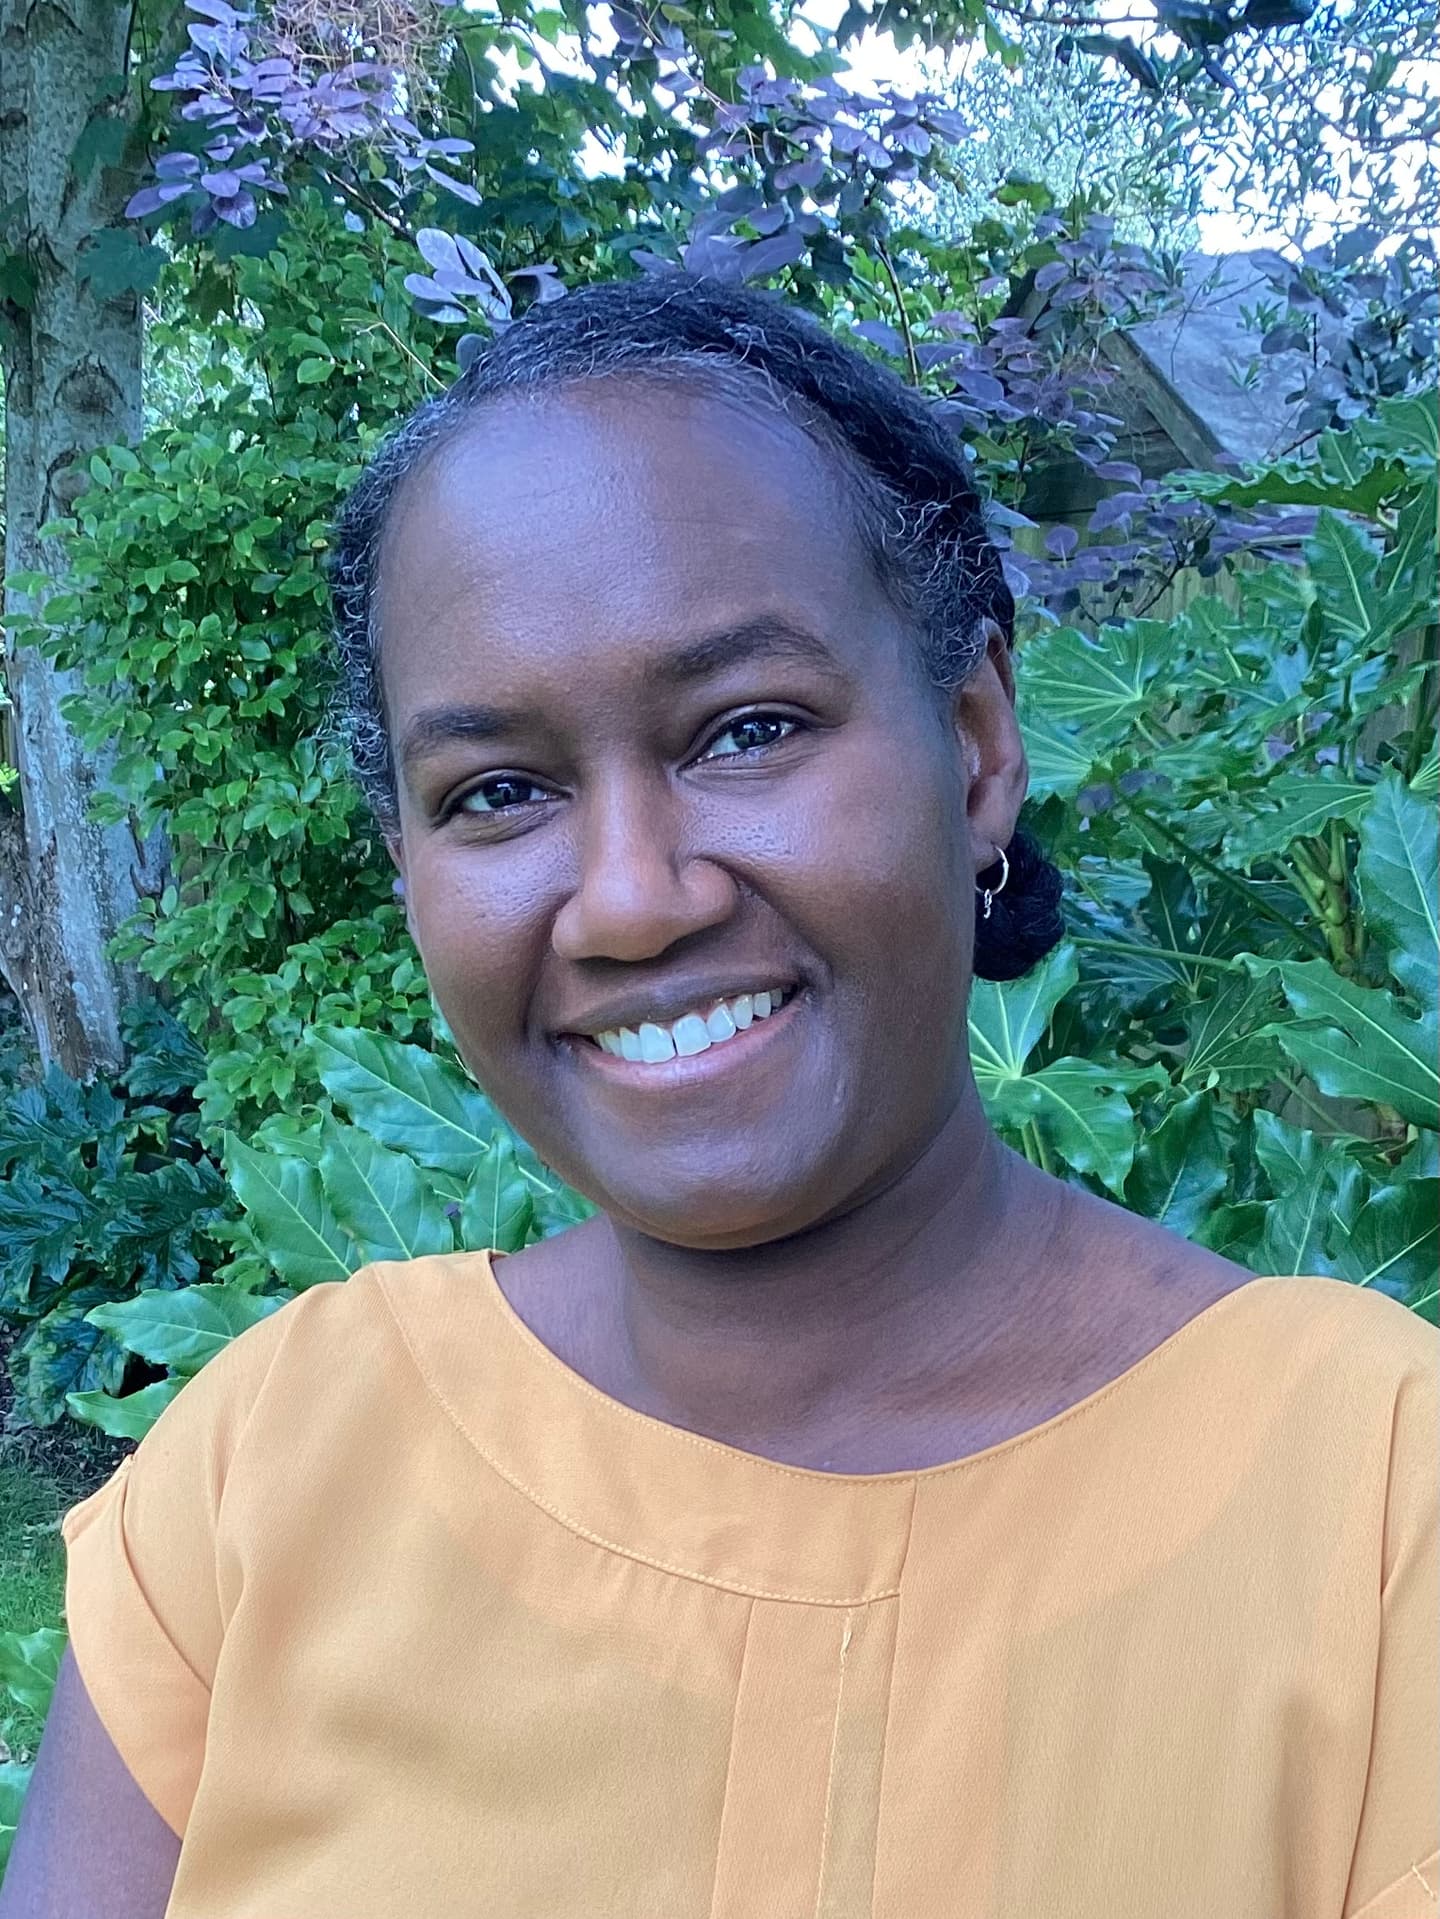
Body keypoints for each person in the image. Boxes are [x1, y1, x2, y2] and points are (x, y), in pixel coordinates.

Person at [8, 278, 1435, 1919]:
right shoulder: (265, 1472)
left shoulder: (1380, 1502)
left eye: (747, 729)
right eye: (498, 792)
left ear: (974, 748)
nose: (629, 900)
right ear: (409, 865)